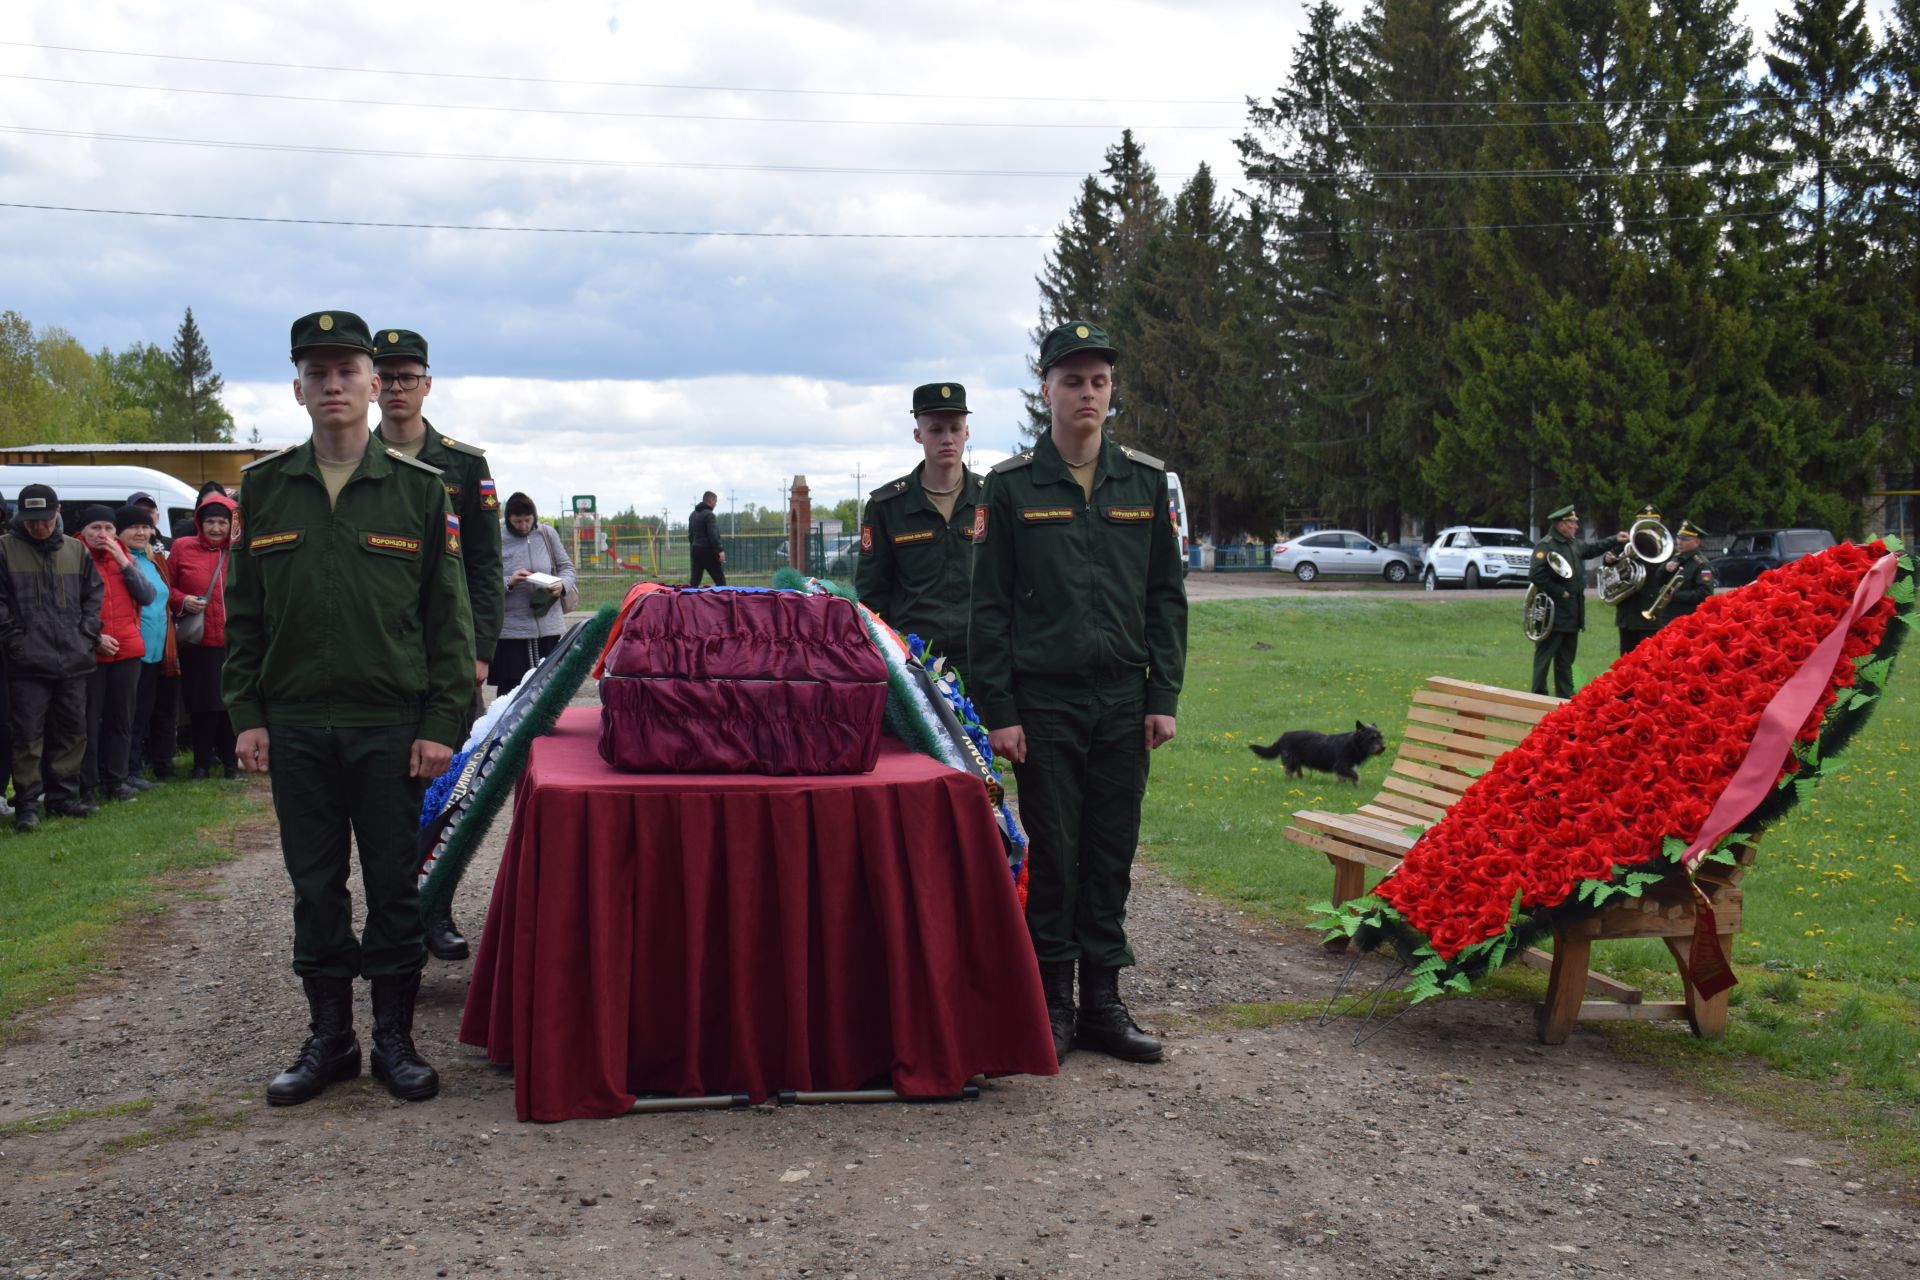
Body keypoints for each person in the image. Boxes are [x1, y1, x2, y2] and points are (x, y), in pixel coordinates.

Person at [225, 309, 471, 1106]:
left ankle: (394, 1041)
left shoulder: (418, 492)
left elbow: (448, 618)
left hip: (388, 727)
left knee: (396, 885)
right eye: (317, 373)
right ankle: (330, 1038)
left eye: (347, 372)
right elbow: (247, 613)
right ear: (298, 389)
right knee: (315, 885)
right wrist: (246, 713)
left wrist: (441, 725)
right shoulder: (266, 488)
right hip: (296, 725)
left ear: (374, 385)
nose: (333, 385)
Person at [969, 320, 1188, 1066]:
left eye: (1098, 381)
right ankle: (1053, 1005)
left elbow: (1165, 598)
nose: (1086, 393)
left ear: (1110, 391)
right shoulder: (1009, 487)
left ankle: (1104, 1003)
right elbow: (989, 607)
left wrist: (1164, 693)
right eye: (1072, 380)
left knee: (1111, 850)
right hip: (1047, 705)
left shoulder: (1144, 482)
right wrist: (1000, 711)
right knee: (1057, 855)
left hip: (1125, 702)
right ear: (1047, 391)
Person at [372, 327, 504, 962]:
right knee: (382, 796)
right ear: (372, 385)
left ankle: (437, 905)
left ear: (428, 383)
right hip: (379, 657)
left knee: (448, 790)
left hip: (447, 657)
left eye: (408, 377)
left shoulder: (464, 465)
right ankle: (392, 916)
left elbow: (483, 564)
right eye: (386, 377)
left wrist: (479, 651)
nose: (397, 388)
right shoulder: (351, 459)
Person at [855, 381, 984, 675]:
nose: (947, 438)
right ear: (918, 435)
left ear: (967, 432)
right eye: (936, 429)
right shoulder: (887, 506)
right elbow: (872, 597)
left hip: (981, 659)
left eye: (955, 428)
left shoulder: (990, 497)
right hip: (914, 661)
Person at [0, 483, 103, 831]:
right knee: (27, 735)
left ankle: (63, 799)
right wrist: (15, 640)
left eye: (44, 519)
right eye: (31, 520)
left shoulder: (77, 551)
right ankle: (27, 805)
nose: (38, 526)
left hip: (73, 660)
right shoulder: (4, 549)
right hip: (27, 664)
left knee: (73, 731)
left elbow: (94, 596)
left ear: (56, 513)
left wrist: (87, 635)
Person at [77, 505, 155, 804]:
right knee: (88, 721)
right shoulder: (75, 557)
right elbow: (69, 606)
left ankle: (117, 780)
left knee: (121, 719)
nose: (103, 535)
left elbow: (146, 596)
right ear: (83, 531)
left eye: (109, 528)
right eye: (96, 528)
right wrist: (94, 637)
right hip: (89, 651)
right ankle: (88, 785)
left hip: (127, 649)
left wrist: (123, 561)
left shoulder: (124, 558)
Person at [171, 493, 239, 779]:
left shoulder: (239, 550)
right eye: (210, 522)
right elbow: (167, 586)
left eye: (222, 522)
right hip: (199, 643)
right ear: (199, 522)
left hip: (234, 642)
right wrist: (182, 600)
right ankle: (201, 763)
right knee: (203, 707)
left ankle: (231, 764)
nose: (215, 528)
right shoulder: (183, 548)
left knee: (231, 706)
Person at [1529, 504, 1626, 697]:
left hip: (1572, 613)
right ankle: (1537, 694)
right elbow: (1536, 574)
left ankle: (1564, 695)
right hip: (1553, 613)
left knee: (1566, 658)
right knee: (1545, 656)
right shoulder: (1546, 545)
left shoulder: (1572, 543)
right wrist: (1559, 592)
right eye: (1572, 523)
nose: (1576, 526)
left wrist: (1615, 539)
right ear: (1562, 524)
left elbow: (1592, 548)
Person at [495, 493, 578, 694]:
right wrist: (510, 581)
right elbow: (484, 578)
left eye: (527, 520)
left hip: (548, 627)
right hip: (512, 631)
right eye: (517, 521)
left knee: (548, 688)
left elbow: (567, 567)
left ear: (534, 516)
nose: (523, 526)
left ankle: (547, 726)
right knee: (512, 690)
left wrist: (562, 585)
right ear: (509, 519)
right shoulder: (496, 536)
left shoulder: (547, 534)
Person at [120, 505, 179, 786]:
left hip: (156, 651)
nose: (141, 532)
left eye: (146, 527)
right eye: (133, 527)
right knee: (128, 715)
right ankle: (126, 771)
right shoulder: (120, 560)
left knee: (144, 712)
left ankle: (134, 769)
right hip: (130, 651)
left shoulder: (153, 559)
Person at [1610, 504, 1667, 657]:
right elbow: (1609, 568)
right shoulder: (1625, 546)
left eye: (1651, 524)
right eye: (1643, 523)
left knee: (1650, 660)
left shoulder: (1666, 548)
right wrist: (1608, 560)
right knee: (1626, 661)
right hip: (1628, 613)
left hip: (1651, 612)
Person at [1657, 519, 1716, 624]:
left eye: (1685, 539)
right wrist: (1664, 568)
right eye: (1678, 538)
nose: (1679, 542)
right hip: (1668, 618)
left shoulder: (1702, 565)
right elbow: (1657, 580)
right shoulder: (1676, 558)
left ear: (1697, 542)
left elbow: (1705, 593)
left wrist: (1675, 596)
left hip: (1687, 619)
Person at [688, 491, 725, 586]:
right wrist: (720, 550)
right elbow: (713, 534)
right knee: (720, 581)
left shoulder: (693, 514)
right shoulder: (709, 515)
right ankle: (725, 599)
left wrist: (694, 546)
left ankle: (688, 599)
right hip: (708, 552)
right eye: (715, 501)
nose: (716, 504)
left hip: (695, 551)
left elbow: (690, 535)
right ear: (711, 501)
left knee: (694, 582)